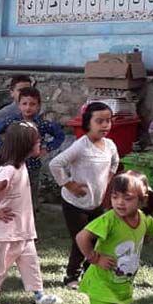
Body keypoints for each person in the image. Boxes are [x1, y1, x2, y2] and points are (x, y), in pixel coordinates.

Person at [74, 171, 153, 304]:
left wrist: (142, 239)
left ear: (142, 200)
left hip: (122, 285)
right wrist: (94, 258)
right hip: (101, 284)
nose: (119, 203)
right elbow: (81, 237)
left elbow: (151, 232)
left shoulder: (144, 220)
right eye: (115, 196)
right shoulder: (109, 219)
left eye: (127, 198)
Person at [0, 122, 61, 304]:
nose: (40, 144)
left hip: (23, 229)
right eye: (37, 141)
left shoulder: (21, 165)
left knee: (30, 262)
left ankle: (38, 294)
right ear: (25, 145)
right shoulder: (9, 170)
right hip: (6, 230)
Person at [49, 102, 119, 289]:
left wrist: (108, 181)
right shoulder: (81, 146)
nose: (105, 125)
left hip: (96, 203)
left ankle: (91, 271)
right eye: (99, 121)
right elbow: (56, 164)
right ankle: (72, 276)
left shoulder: (110, 145)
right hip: (75, 203)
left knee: (97, 238)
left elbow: (114, 162)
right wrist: (69, 184)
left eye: (108, 121)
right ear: (88, 123)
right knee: (81, 239)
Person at [0, 86, 65, 203]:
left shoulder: (42, 124)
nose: (28, 107)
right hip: (13, 165)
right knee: (11, 196)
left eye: (32, 104)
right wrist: (2, 146)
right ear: (19, 105)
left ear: (38, 106)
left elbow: (60, 135)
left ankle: (31, 217)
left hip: (32, 167)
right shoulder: (11, 122)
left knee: (30, 196)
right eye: (24, 103)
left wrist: (47, 149)